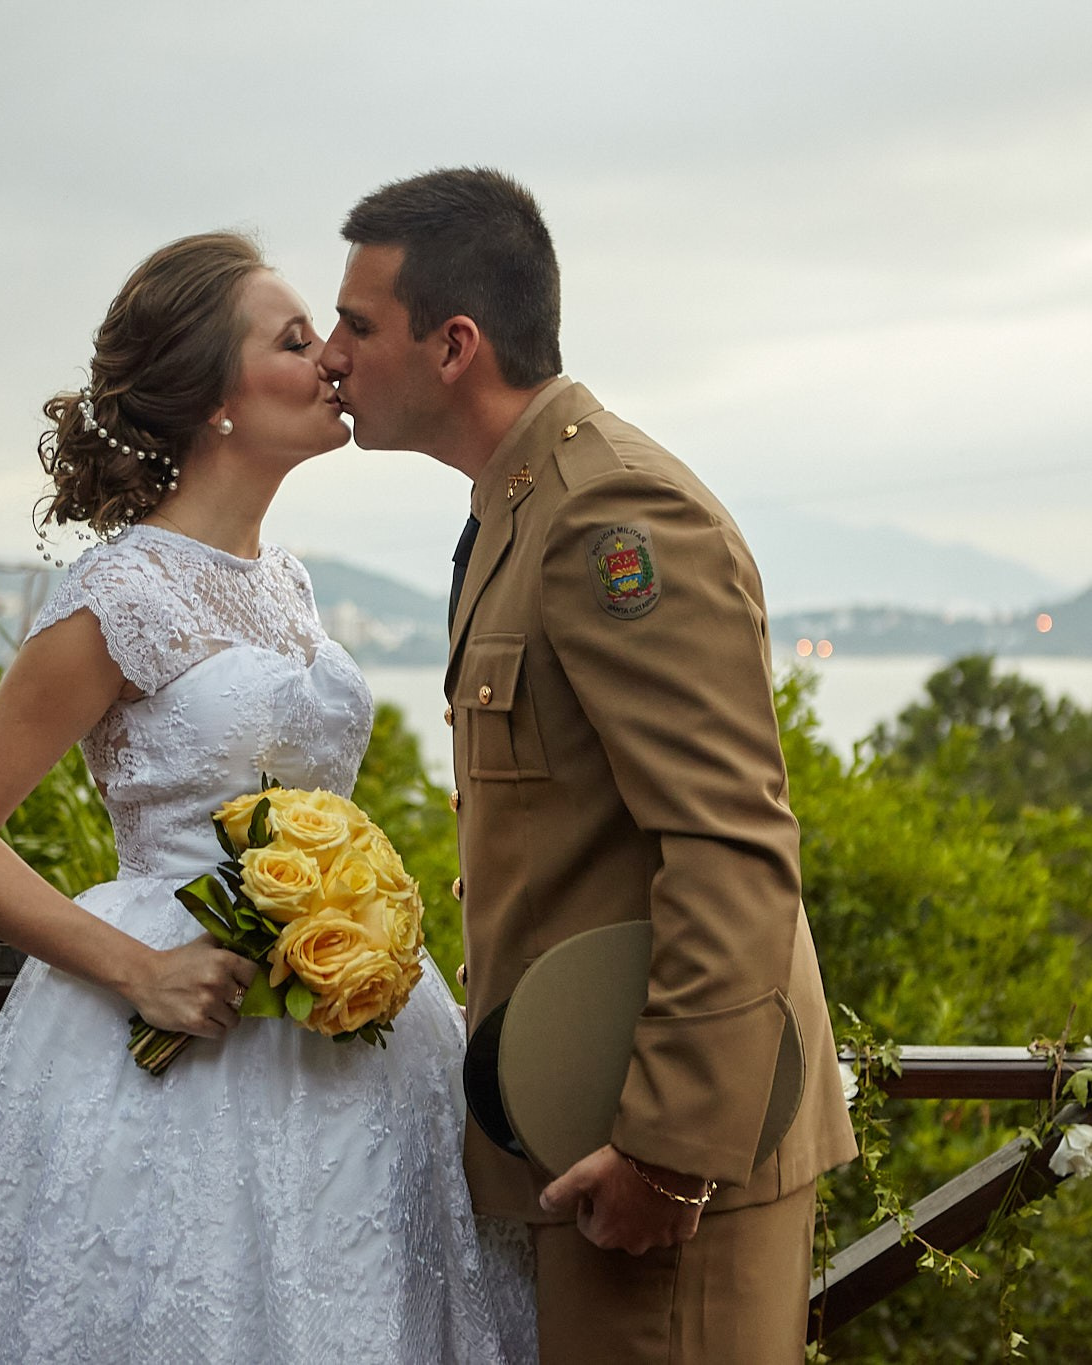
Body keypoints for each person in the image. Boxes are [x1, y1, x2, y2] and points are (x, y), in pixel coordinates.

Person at [0, 232, 535, 1365]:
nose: (332, 359)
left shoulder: (285, 583)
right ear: (215, 400)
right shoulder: (120, 592)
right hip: (185, 1041)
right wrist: (138, 968)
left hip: (347, 1040)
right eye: (297, 341)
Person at [320, 170, 858, 1364]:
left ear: (453, 344)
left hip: (662, 1164)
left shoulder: (611, 515)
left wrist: (671, 1151)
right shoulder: (517, 508)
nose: (331, 355)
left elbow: (728, 843)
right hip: (591, 1129)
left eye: (357, 325)